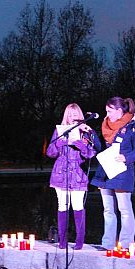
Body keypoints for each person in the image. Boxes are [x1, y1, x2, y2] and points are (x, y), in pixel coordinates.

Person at [91, 97, 135, 250]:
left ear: (119, 110)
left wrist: (126, 158)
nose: (106, 114)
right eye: (106, 111)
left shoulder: (133, 127)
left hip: (122, 171)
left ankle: (126, 243)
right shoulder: (106, 126)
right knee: (108, 209)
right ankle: (107, 244)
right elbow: (102, 146)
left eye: (109, 111)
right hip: (106, 171)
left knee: (124, 209)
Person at [46, 103, 100, 250]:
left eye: (75, 115)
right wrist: (58, 144)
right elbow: (50, 153)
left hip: (77, 173)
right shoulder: (60, 131)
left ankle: (79, 241)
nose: (72, 118)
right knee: (62, 206)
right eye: (69, 115)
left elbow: (91, 154)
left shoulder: (86, 132)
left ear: (80, 116)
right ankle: (62, 241)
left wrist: (82, 146)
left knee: (78, 206)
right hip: (60, 173)